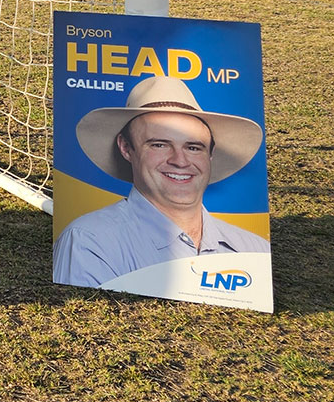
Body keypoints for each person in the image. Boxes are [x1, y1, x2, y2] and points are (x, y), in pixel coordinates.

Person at [54, 75, 269, 288]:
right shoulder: (89, 243)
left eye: (193, 147)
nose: (180, 161)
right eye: (159, 145)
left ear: (210, 155)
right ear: (126, 148)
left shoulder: (255, 249)